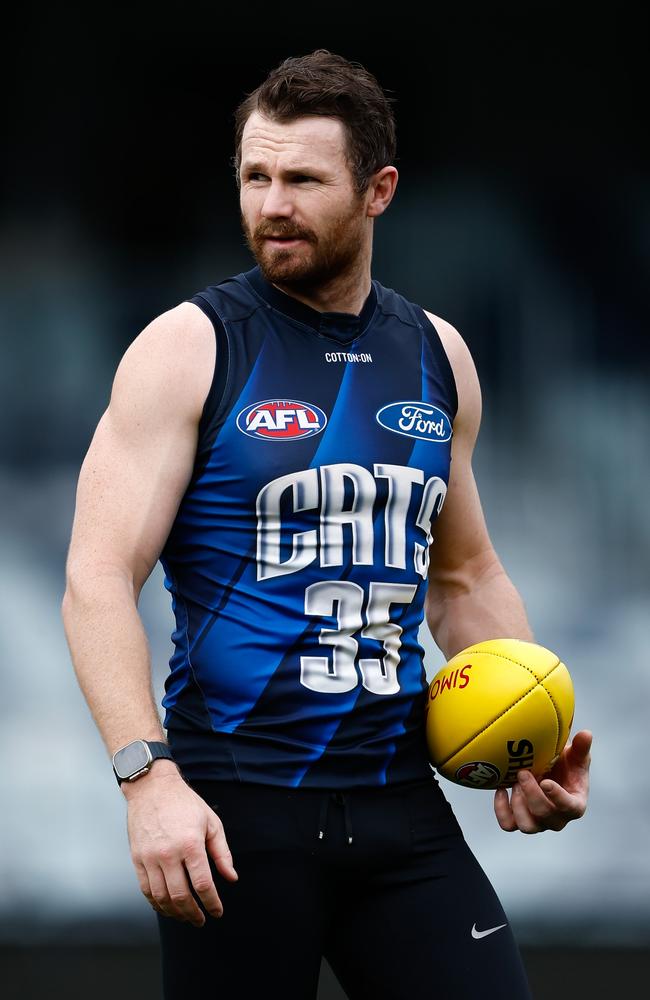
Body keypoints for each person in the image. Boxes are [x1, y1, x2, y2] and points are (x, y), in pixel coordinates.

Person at [62, 49, 592, 1000]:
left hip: (401, 807)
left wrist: (530, 743)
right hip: (234, 818)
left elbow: (464, 579)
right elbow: (97, 578)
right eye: (255, 177)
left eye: (302, 179)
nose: (271, 205)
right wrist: (147, 784)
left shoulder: (440, 355)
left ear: (378, 189)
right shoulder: (190, 346)